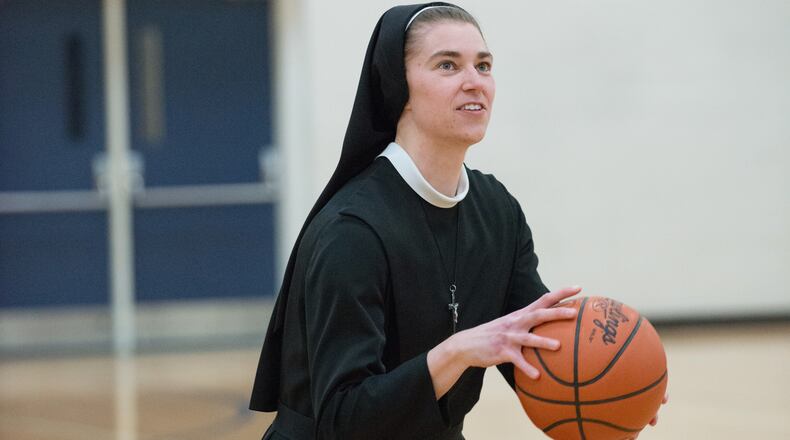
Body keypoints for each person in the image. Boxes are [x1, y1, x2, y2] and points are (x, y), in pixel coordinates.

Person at [250, 3, 663, 439]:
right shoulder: (352, 231)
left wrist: (624, 386)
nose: (474, 82)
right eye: (448, 65)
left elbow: (536, 352)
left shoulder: (498, 211)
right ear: (398, 85)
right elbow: (343, 418)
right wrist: (456, 352)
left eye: (483, 66)